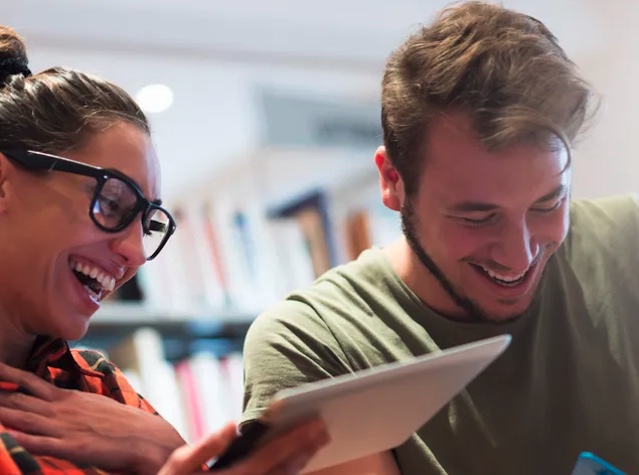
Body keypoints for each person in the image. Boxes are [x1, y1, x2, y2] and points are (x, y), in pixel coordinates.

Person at [239, 2, 639, 474]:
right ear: (392, 180)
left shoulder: (628, 244)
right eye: (478, 217)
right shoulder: (316, 345)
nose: (520, 254)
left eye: (547, 205)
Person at [0, 25, 328, 475]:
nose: (134, 253)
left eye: (149, 223)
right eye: (111, 202)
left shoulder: (99, 386)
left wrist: (165, 448)